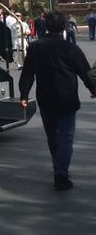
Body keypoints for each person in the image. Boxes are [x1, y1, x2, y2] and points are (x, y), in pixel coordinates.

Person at [19, 11, 96, 190]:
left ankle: (58, 164)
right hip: (67, 98)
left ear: (46, 25)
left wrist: (24, 95)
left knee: (52, 136)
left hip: (45, 98)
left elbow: (28, 72)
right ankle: (61, 173)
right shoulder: (70, 48)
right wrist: (93, 89)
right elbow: (84, 71)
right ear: (64, 27)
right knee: (66, 137)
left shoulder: (36, 47)